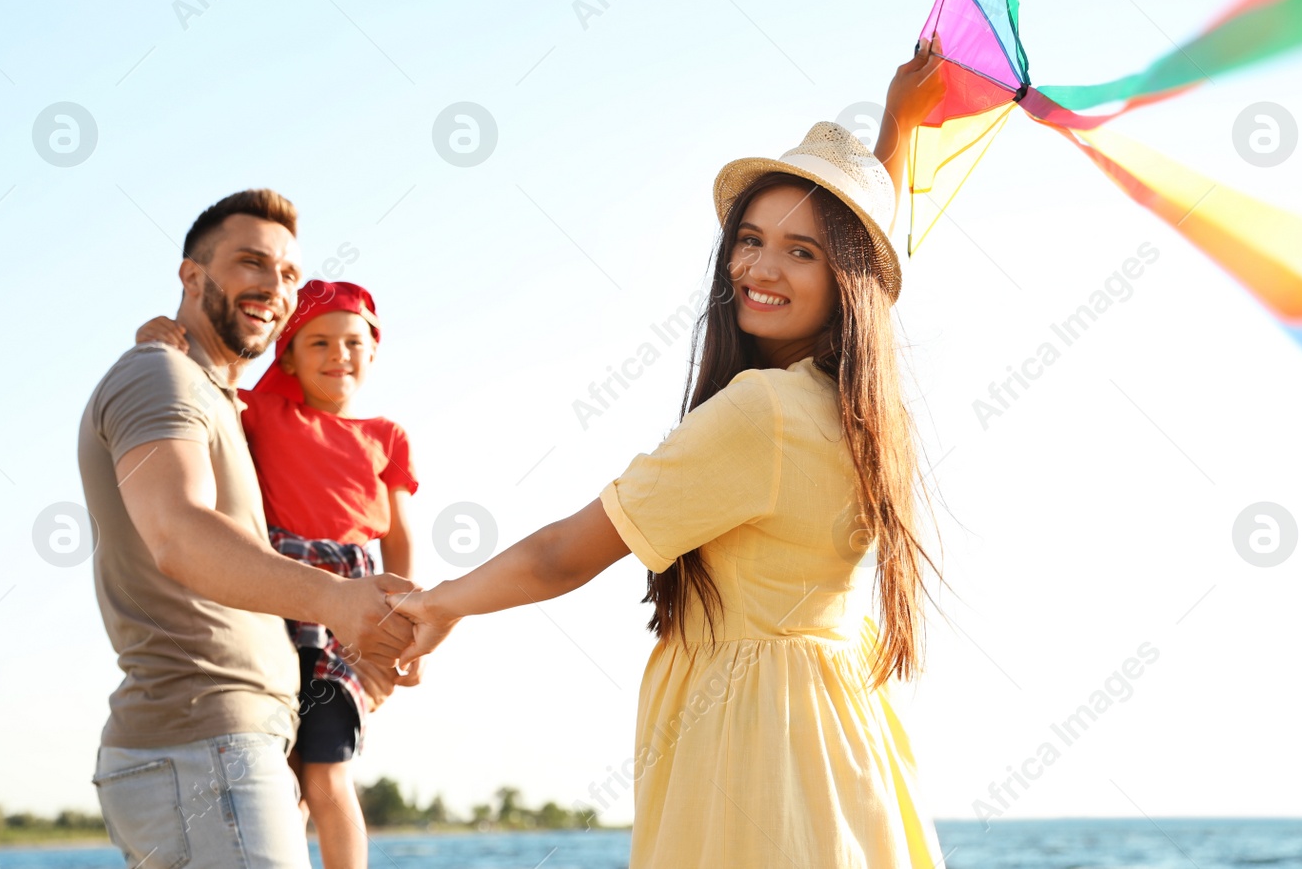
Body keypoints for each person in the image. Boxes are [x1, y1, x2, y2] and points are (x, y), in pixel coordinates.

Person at [387, 45, 953, 866]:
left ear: (844, 279)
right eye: (752, 239)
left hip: (752, 743)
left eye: (801, 252)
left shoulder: (762, 414)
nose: (760, 266)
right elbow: (873, 251)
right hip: (841, 736)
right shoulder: (866, 406)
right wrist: (897, 123)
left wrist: (442, 604)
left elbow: (563, 554)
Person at [78, 189, 413, 869]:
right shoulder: (159, 376)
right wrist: (338, 599)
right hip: (201, 745)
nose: (275, 286)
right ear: (192, 276)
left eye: (289, 273)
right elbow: (179, 532)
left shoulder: (221, 400)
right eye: (252, 263)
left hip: (235, 742)